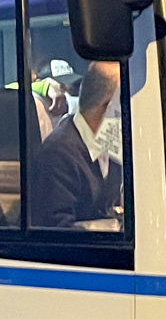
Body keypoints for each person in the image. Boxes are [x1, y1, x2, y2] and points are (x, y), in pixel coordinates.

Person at [29, 60, 123, 229]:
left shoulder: (111, 147)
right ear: (108, 107)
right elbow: (55, 231)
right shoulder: (57, 156)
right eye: (125, 103)